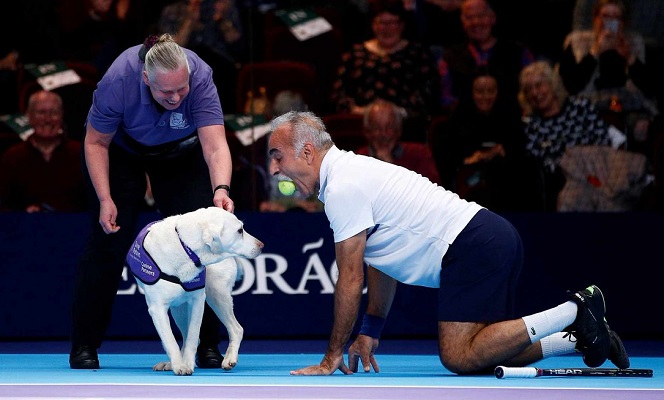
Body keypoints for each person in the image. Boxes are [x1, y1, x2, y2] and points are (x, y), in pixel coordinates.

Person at [266, 110, 629, 375]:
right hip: (489, 236)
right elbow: (379, 259)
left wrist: (332, 357)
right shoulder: (347, 175)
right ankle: (579, 337)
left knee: (458, 356)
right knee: (486, 353)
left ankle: (576, 309)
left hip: (474, 243)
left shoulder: (343, 186)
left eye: (277, 156)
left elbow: (350, 279)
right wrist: (369, 331)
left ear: (308, 152)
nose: (273, 169)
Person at [69, 33, 235, 370]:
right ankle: (84, 344)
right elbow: (96, 143)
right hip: (120, 152)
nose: (175, 97)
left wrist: (221, 188)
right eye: (166, 91)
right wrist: (105, 198)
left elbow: (215, 145)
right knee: (108, 241)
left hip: (180, 153)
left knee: (198, 244)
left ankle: (204, 346)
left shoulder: (200, 75)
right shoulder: (119, 79)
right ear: (146, 79)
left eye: (181, 89)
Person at [330, 0, 440, 142]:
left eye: (392, 23)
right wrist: (357, 110)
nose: (386, 29)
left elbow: (428, 91)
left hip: (405, 122)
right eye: (381, 23)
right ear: (373, 25)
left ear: (402, 25)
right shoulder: (355, 52)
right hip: (360, 120)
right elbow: (339, 91)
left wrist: (398, 113)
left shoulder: (418, 53)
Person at [430, 71, 539, 211]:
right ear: (471, 92)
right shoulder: (454, 122)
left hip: (507, 183)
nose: (485, 97)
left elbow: (517, 151)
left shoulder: (511, 119)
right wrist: (485, 155)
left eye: (491, 91)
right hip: (468, 186)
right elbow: (451, 161)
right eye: (480, 91)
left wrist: (490, 155)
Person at [518, 61, 617, 211]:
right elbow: (537, 161)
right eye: (528, 89)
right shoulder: (530, 124)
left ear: (553, 84)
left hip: (597, 173)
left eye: (539, 85)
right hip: (561, 182)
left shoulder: (580, 107)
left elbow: (603, 140)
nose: (535, 93)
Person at [438, 0, 534, 115]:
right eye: (469, 17)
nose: (476, 22)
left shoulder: (518, 52)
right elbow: (446, 99)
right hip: (465, 125)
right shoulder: (450, 57)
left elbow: (532, 91)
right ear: (462, 22)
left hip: (512, 122)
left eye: (481, 16)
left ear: (493, 18)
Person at [0, 91, 86, 212]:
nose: (47, 119)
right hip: (25, 227)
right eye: (41, 113)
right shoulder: (12, 157)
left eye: (54, 113)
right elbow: (3, 205)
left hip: (74, 228)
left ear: (62, 116)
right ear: (28, 117)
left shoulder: (82, 154)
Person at [357, 99, 440, 184]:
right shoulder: (358, 160)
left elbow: (432, 191)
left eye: (389, 127)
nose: (383, 134)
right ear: (366, 132)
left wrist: (390, 167)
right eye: (376, 128)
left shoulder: (419, 154)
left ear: (399, 131)